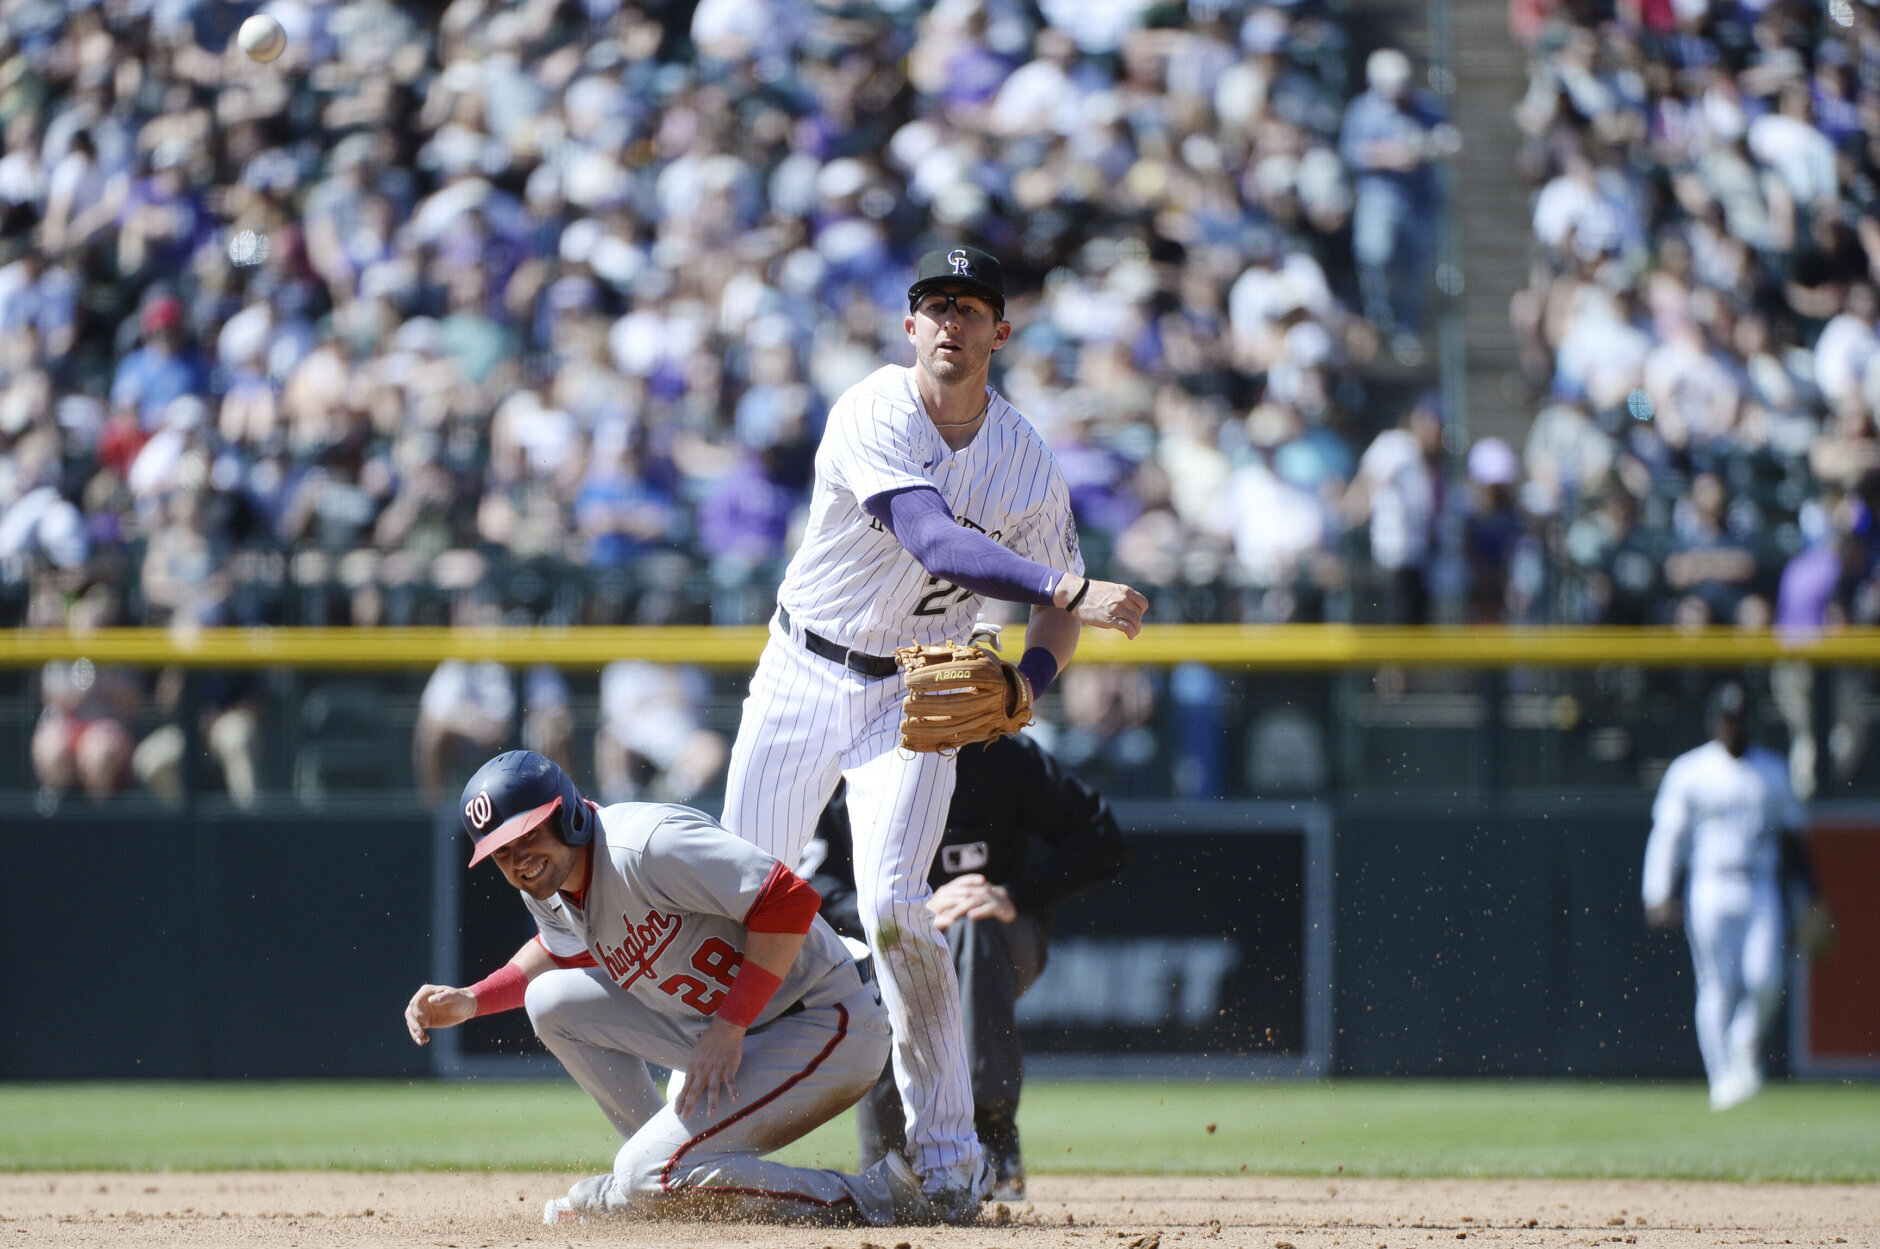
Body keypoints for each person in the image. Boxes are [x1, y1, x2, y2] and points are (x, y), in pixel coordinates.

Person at [717, 245, 1148, 1223]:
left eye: (970, 307)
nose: (950, 321)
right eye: (932, 305)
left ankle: (948, 1163)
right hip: (802, 670)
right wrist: (1065, 586)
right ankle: (700, 1134)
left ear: (1000, 331)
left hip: (909, 699)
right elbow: (933, 537)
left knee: (899, 907)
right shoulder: (874, 408)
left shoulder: (1026, 458)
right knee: (740, 896)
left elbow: (1051, 627)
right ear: (907, 327)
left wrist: (1027, 686)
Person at [403, 751, 931, 1227]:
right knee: (549, 999)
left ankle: (879, 1197)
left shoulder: (647, 845)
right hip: (730, 1031)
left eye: (529, 835)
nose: (519, 859)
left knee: (643, 1175)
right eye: (502, 852)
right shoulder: (550, 884)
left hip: (826, 1016)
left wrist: (730, 1026)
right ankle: (657, 1173)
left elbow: (789, 900)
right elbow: (554, 951)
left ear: (568, 814)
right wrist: (473, 999)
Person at [802, 732, 1129, 1201]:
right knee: (894, 965)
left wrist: (1016, 893)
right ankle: (886, 1160)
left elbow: (1103, 837)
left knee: (968, 931)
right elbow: (809, 879)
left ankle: (993, 1135)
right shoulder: (859, 759)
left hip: (995, 943)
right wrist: (901, 911)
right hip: (887, 946)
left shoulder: (1002, 754)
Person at [1642, 682, 1829, 1111]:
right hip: (1708, 883)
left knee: (1767, 980)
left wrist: (1813, 895)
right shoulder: (1690, 770)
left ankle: (1743, 1039)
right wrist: (1656, 890)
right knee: (1716, 984)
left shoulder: (1772, 769)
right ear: (1713, 722)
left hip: (1759, 884)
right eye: (1725, 717)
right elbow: (1668, 837)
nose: (1731, 724)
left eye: (1738, 717)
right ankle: (1722, 1077)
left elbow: (1793, 840)